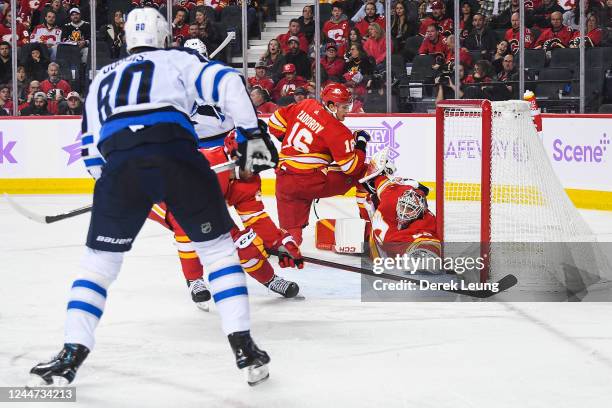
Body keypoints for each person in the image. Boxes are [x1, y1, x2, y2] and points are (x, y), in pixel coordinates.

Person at [29, 8, 277, 388]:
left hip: (122, 164)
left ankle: (70, 355)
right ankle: (245, 348)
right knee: (218, 253)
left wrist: (115, 183)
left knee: (97, 265)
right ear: (163, 35)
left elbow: (90, 148)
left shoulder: (102, 78)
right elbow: (227, 81)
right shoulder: (180, 58)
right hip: (177, 154)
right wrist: (249, 134)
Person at [148, 133, 304, 308]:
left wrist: (279, 243)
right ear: (235, 155)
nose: (252, 173)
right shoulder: (204, 164)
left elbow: (255, 217)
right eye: (251, 165)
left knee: (243, 244)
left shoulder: (248, 180)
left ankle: (271, 279)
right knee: (186, 229)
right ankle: (194, 280)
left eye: (257, 168)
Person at [268, 83, 370, 245]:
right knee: (365, 173)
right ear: (331, 106)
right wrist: (361, 144)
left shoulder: (305, 105)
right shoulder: (338, 130)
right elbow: (351, 168)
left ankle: (266, 241)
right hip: (310, 182)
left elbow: (274, 123)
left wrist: (293, 146)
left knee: (292, 239)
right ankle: (369, 230)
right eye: (344, 106)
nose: (347, 111)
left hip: (284, 182)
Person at [358, 148, 440, 261]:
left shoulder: (385, 187)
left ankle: (423, 252)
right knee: (424, 226)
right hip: (404, 203)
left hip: (396, 201)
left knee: (390, 236)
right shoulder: (389, 187)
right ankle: (423, 251)